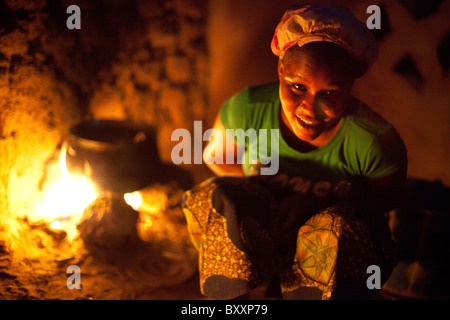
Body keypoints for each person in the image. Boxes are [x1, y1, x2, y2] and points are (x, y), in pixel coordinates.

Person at [182, 3, 407, 300]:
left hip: (325, 246)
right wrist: (263, 202)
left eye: (329, 93)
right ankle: (239, 298)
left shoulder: (375, 141)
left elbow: (384, 202)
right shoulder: (248, 109)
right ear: (280, 69)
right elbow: (217, 158)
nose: (309, 109)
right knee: (215, 199)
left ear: (351, 85)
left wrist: (315, 206)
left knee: (339, 231)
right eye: (297, 87)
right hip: (267, 224)